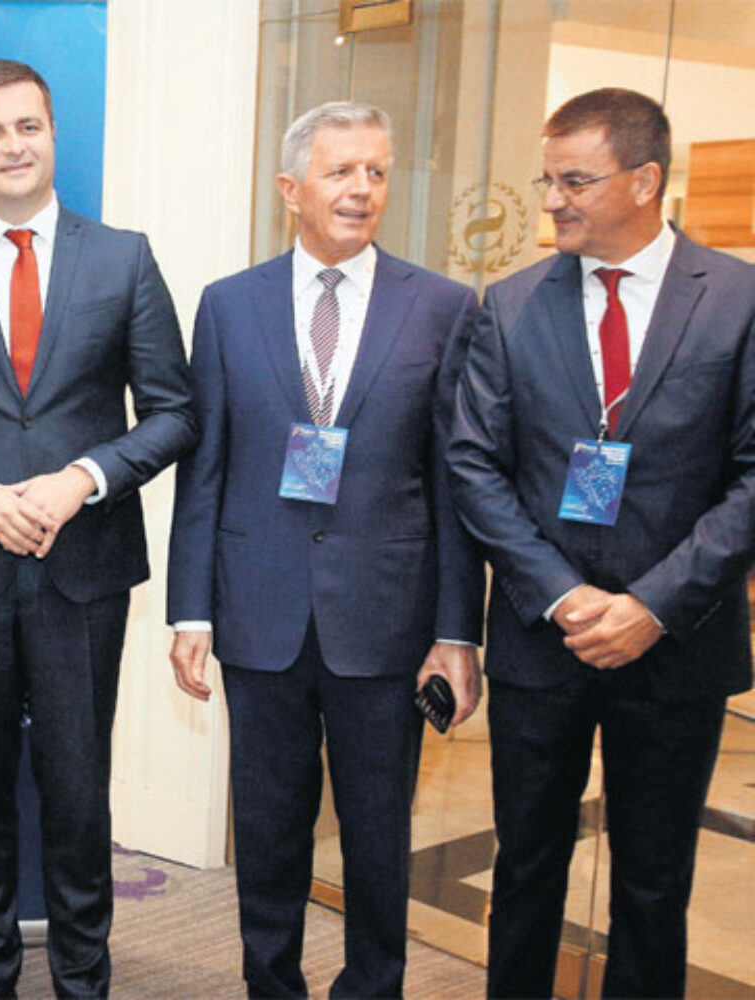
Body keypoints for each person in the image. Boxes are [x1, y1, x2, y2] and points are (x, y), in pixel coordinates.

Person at [0, 58, 195, 998]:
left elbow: (174, 412)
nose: (12, 146)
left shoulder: (123, 258)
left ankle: (83, 980)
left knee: (77, 792)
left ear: (53, 134)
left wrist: (83, 479)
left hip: (82, 570)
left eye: (27, 126)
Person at [165, 101, 484, 998]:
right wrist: (191, 610)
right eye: (340, 171)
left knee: (379, 837)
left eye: (377, 171)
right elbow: (206, 468)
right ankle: (272, 986)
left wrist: (457, 633)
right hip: (257, 611)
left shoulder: (443, 307)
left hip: (386, 620)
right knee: (269, 831)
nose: (362, 189)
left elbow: (456, 485)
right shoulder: (229, 305)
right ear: (290, 188)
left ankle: (373, 988)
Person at [449, 87, 755, 999]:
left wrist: (653, 606)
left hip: (677, 641)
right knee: (525, 867)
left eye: (574, 181)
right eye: (547, 180)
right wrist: (563, 594)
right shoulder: (510, 305)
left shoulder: (738, 300)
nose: (552, 201)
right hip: (545, 638)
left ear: (645, 180)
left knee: (654, 884)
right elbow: (474, 465)